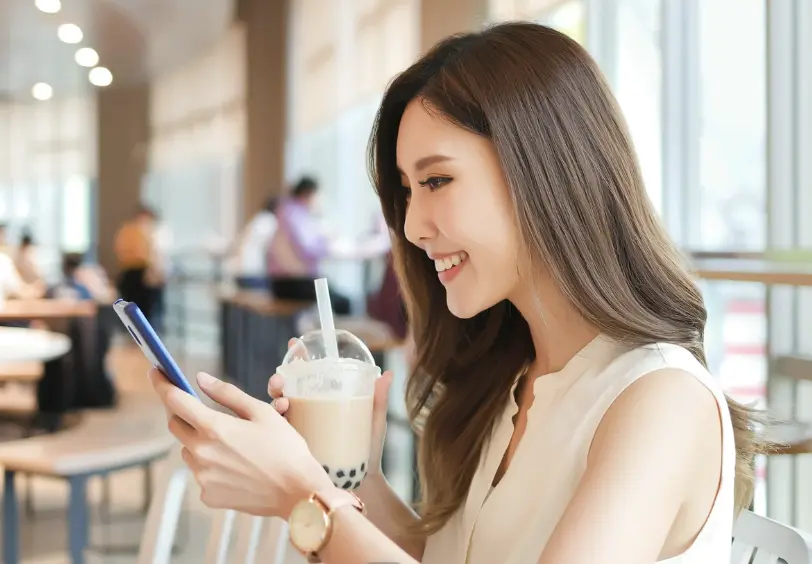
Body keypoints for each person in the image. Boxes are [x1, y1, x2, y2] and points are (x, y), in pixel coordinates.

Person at [149, 23, 769, 563]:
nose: (414, 226)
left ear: (544, 171)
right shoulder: (511, 382)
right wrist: (345, 470)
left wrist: (304, 499)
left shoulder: (660, 399)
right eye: (407, 191)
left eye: (437, 180)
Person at [268, 177, 352, 314]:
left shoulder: (286, 211)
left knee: (334, 295)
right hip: (292, 283)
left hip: (281, 283)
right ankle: (335, 336)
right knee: (343, 302)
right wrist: (328, 244)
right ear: (308, 194)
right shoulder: (296, 214)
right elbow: (308, 249)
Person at [115, 204, 160, 325]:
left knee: (148, 308)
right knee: (134, 305)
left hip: (146, 273)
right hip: (133, 272)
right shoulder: (130, 231)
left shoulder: (151, 232)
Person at [232, 196, 279, 289]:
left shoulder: (259, 218)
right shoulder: (269, 220)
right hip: (254, 270)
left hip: (245, 269)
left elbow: (243, 239)